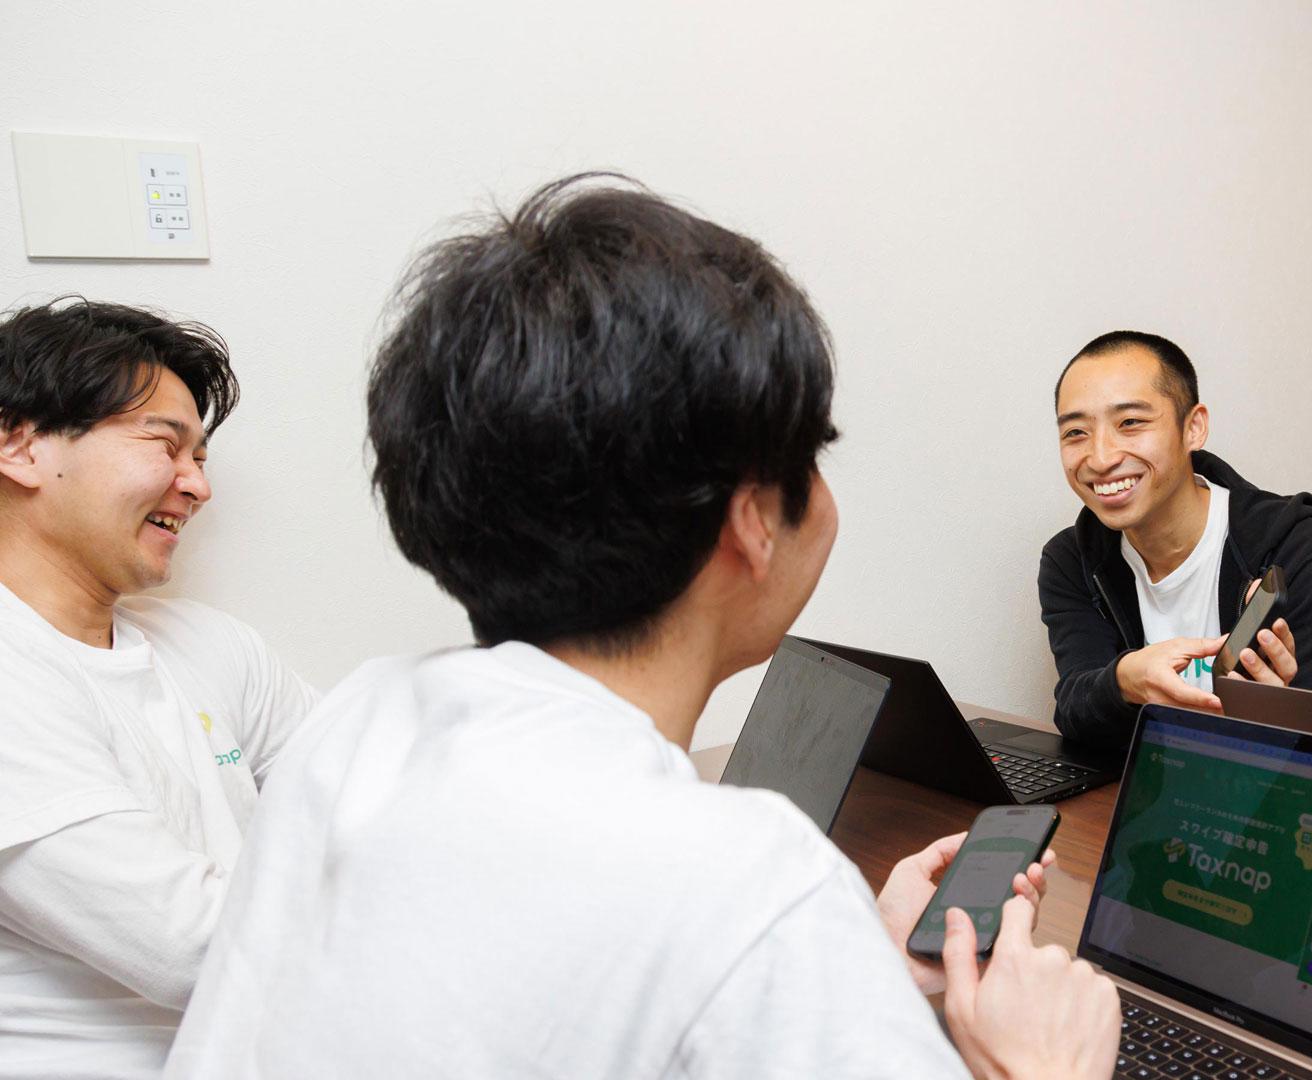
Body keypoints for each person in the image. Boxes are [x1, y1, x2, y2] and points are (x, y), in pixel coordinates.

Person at [164, 175, 1120, 1078]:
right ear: (754, 518)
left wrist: (841, 971)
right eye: (812, 457)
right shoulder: (753, 885)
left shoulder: (360, 724)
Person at [0, 299, 319, 1078]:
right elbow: (194, 947)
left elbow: (368, 800)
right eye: (165, 444)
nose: (197, 486)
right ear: (19, 446)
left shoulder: (210, 644)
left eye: (200, 458)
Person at [1039, 331, 1312, 749]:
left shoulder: (1295, 548)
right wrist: (1124, 681)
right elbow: (1075, 712)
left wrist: (1277, 716)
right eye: (1076, 432)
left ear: (1193, 427)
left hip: (1265, 783)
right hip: (1146, 784)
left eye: (1130, 423)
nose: (1100, 458)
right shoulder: (1071, 560)